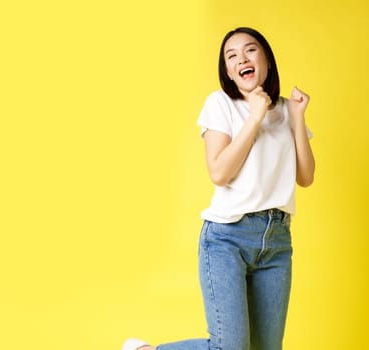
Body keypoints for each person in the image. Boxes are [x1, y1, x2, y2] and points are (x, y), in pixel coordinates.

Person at [123, 27, 316, 350]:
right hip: (228, 238)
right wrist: (254, 118)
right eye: (232, 55)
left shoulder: (286, 109)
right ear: (228, 71)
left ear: (266, 58)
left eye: (250, 50)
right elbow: (220, 172)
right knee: (230, 347)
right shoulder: (221, 104)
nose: (242, 58)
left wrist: (297, 118)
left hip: (277, 241)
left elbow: (306, 176)